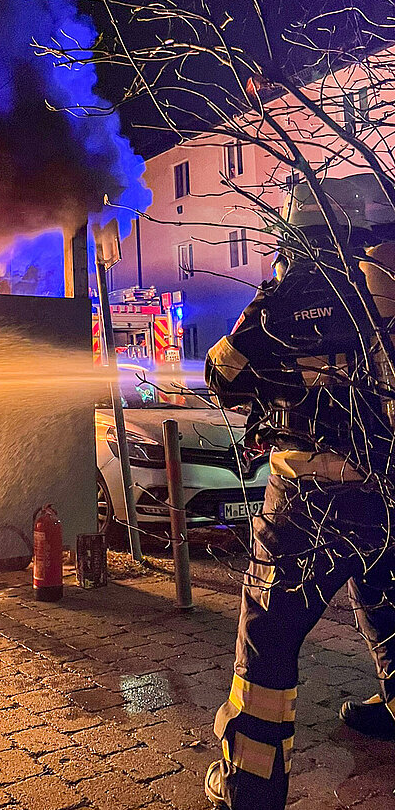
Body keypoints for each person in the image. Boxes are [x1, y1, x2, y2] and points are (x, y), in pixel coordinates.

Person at [203, 177, 395, 810]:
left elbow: (222, 375)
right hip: (386, 491)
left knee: (269, 640)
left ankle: (250, 783)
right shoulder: (383, 288)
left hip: (307, 501)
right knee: (387, 601)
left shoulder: (284, 300)